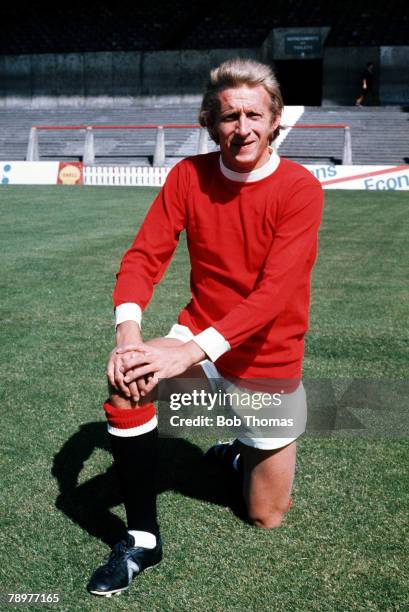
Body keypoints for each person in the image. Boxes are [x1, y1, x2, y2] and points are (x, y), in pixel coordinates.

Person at [87, 58, 324, 597]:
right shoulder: (188, 176)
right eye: (228, 116)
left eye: (254, 116)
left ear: (276, 120)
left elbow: (272, 297)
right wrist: (130, 336)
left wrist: (188, 351)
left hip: (268, 362)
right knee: (129, 381)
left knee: (265, 516)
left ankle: (238, 450)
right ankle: (143, 540)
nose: (242, 128)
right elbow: (143, 258)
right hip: (200, 339)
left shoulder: (299, 189)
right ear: (210, 122)